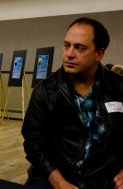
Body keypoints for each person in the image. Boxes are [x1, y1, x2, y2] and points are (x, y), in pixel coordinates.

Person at [22, 17, 123, 189]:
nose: (69, 53)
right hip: (54, 175)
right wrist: (58, 181)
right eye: (66, 45)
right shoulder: (46, 91)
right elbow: (33, 144)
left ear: (99, 53)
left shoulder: (119, 88)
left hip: (105, 177)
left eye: (79, 48)